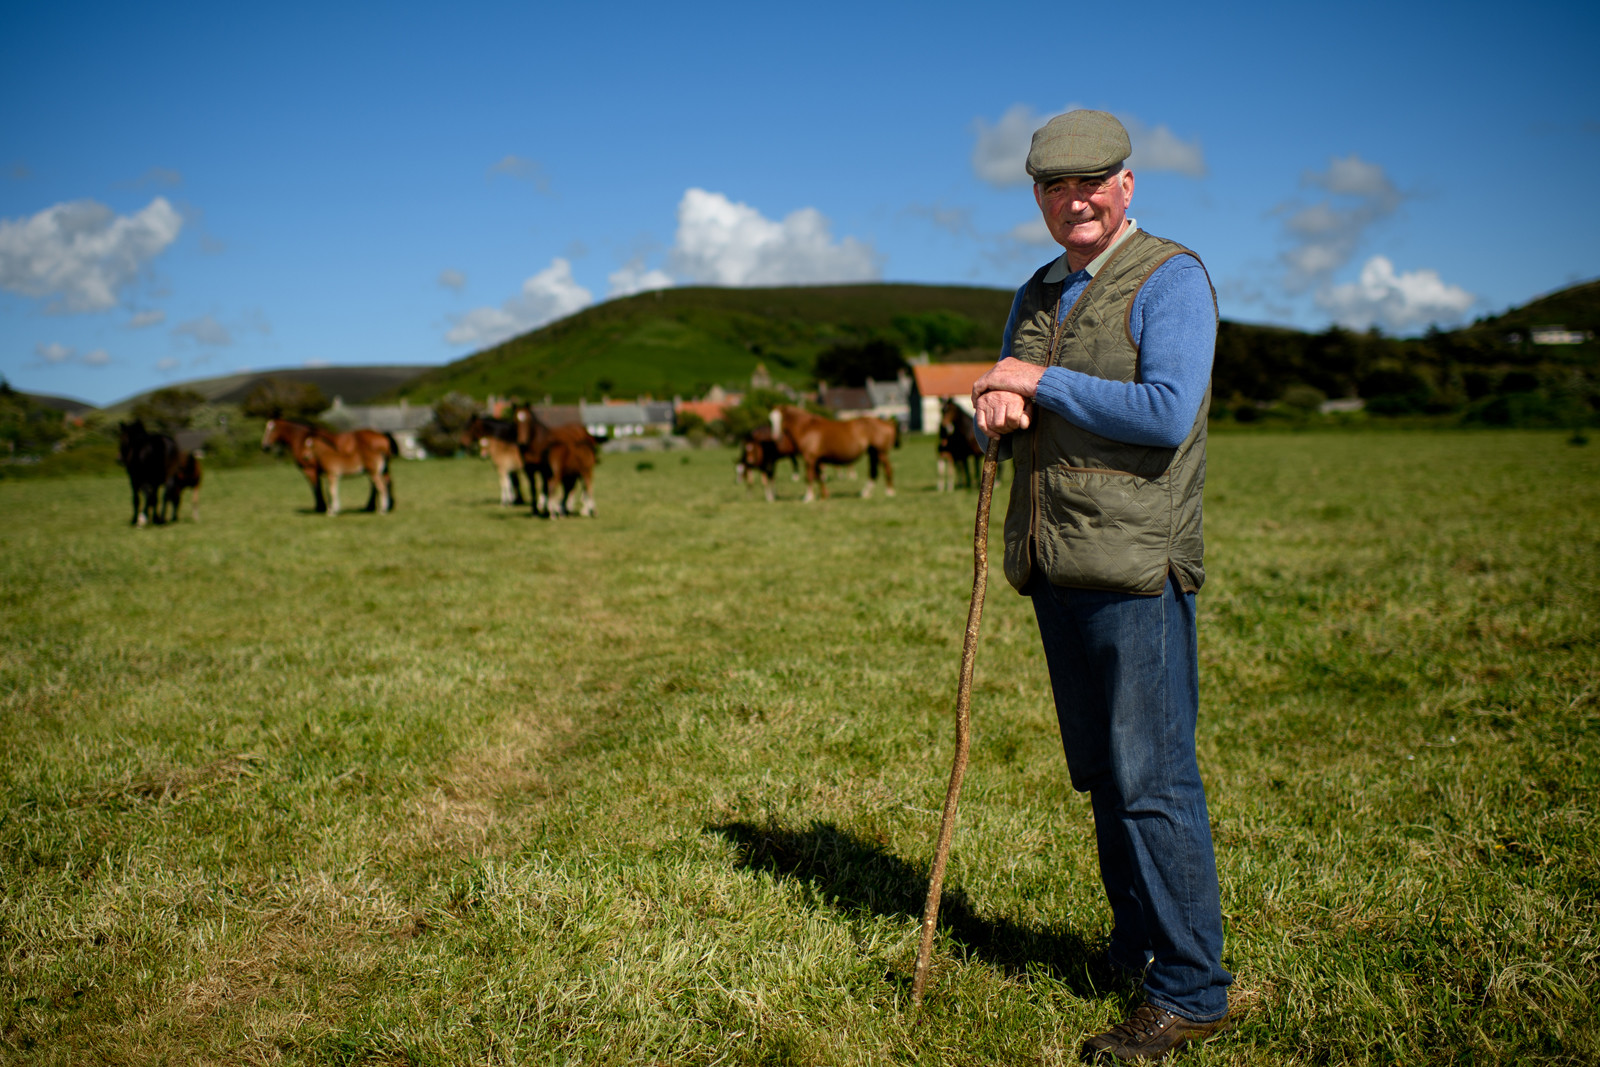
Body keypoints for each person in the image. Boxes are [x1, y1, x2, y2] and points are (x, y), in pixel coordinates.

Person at [971, 109, 1232, 1062]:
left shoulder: (1172, 278)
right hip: (1055, 561)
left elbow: (1166, 412)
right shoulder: (1039, 290)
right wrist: (995, 406)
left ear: (1127, 184)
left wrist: (1035, 382)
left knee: (1152, 780)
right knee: (1105, 775)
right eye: (1055, 186)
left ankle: (1192, 990)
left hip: (1135, 569)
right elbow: (1014, 398)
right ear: (1039, 197)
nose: (1074, 200)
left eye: (1092, 183)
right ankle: (1137, 950)